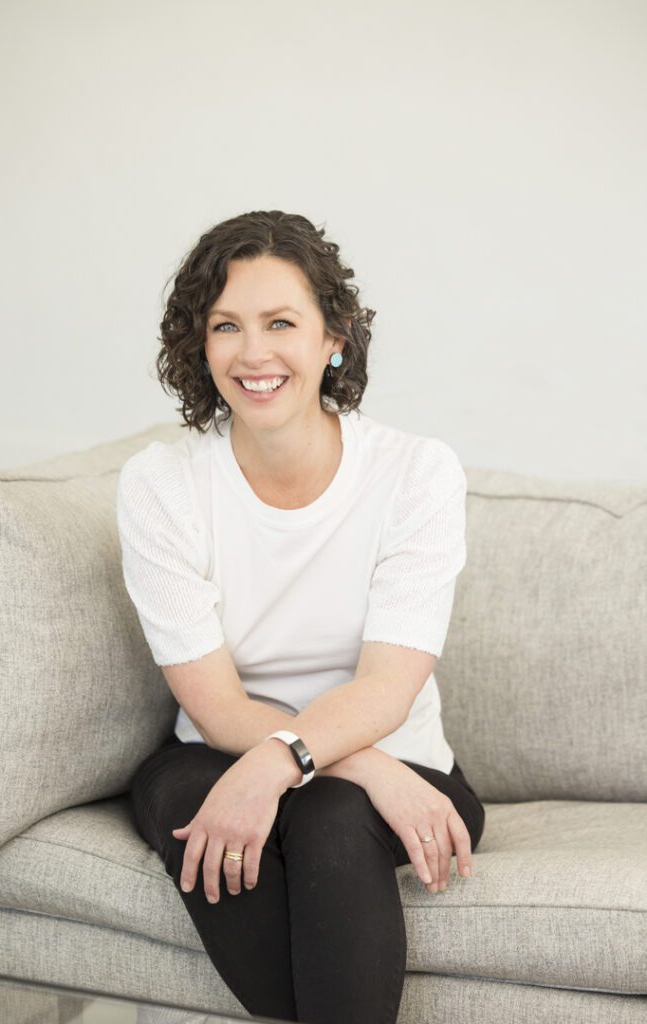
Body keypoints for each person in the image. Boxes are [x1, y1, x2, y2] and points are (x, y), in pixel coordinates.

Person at [116, 209, 486, 1024]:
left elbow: (387, 691)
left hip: (404, 760)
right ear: (198, 345)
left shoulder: (416, 473)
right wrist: (334, 760)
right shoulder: (161, 485)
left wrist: (300, 762)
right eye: (225, 326)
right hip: (219, 753)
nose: (253, 353)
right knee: (194, 808)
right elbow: (212, 708)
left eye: (281, 322)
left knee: (327, 817)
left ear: (333, 338)